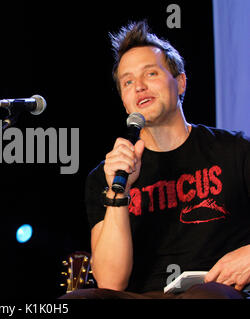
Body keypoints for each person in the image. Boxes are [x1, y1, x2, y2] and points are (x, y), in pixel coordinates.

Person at [62, 21, 250, 299]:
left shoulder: (234, 149)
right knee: (80, 299)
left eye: (150, 73)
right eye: (127, 82)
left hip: (218, 291)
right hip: (143, 296)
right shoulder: (106, 176)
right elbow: (111, 282)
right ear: (125, 101)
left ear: (181, 83)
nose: (139, 87)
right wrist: (119, 193)